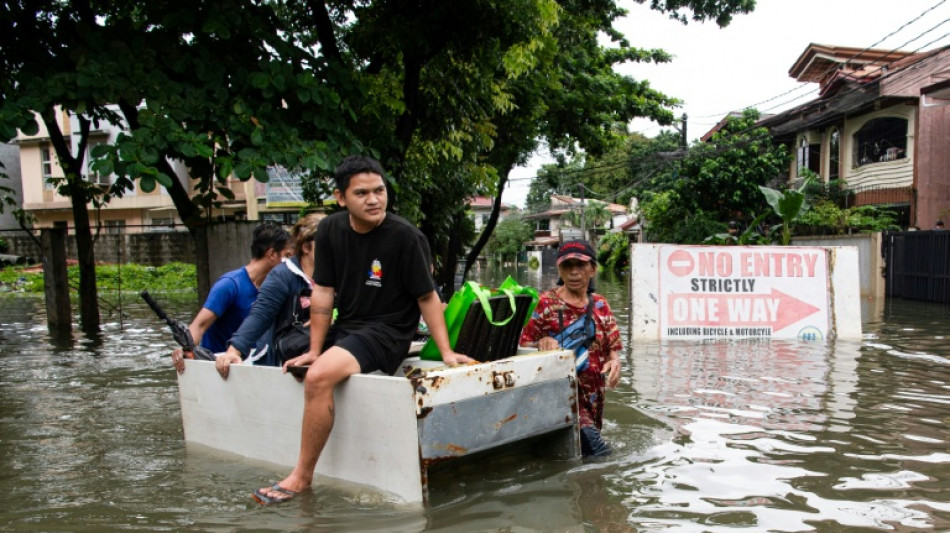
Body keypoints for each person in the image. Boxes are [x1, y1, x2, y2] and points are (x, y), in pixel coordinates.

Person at [250, 155, 475, 505]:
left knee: (318, 377)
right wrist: (314, 348)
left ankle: (301, 477)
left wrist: (444, 351)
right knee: (295, 357)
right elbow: (323, 291)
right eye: (362, 193)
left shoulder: (406, 237)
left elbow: (427, 297)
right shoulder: (330, 230)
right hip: (349, 326)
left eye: (379, 191)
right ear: (341, 198)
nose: (374, 200)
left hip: (387, 332)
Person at [520, 239, 622, 457]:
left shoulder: (601, 304)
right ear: (559, 269)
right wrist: (542, 343)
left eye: (580, 265)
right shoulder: (546, 303)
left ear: (592, 269)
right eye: (568, 266)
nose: (574, 272)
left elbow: (613, 344)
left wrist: (614, 361)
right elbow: (522, 346)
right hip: (562, 392)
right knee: (597, 451)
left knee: (582, 450)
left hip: (594, 392)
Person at [171, 222, 290, 373]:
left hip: (251, 365)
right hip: (219, 368)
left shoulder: (275, 289)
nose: (289, 263)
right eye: (286, 256)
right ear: (272, 254)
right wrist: (185, 351)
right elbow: (200, 325)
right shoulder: (230, 285)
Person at [214, 213, 322, 373]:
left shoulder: (338, 275)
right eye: (328, 244)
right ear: (306, 247)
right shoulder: (283, 276)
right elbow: (260, 315)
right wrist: (234, 351)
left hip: (321, 355)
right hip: (280, 360)